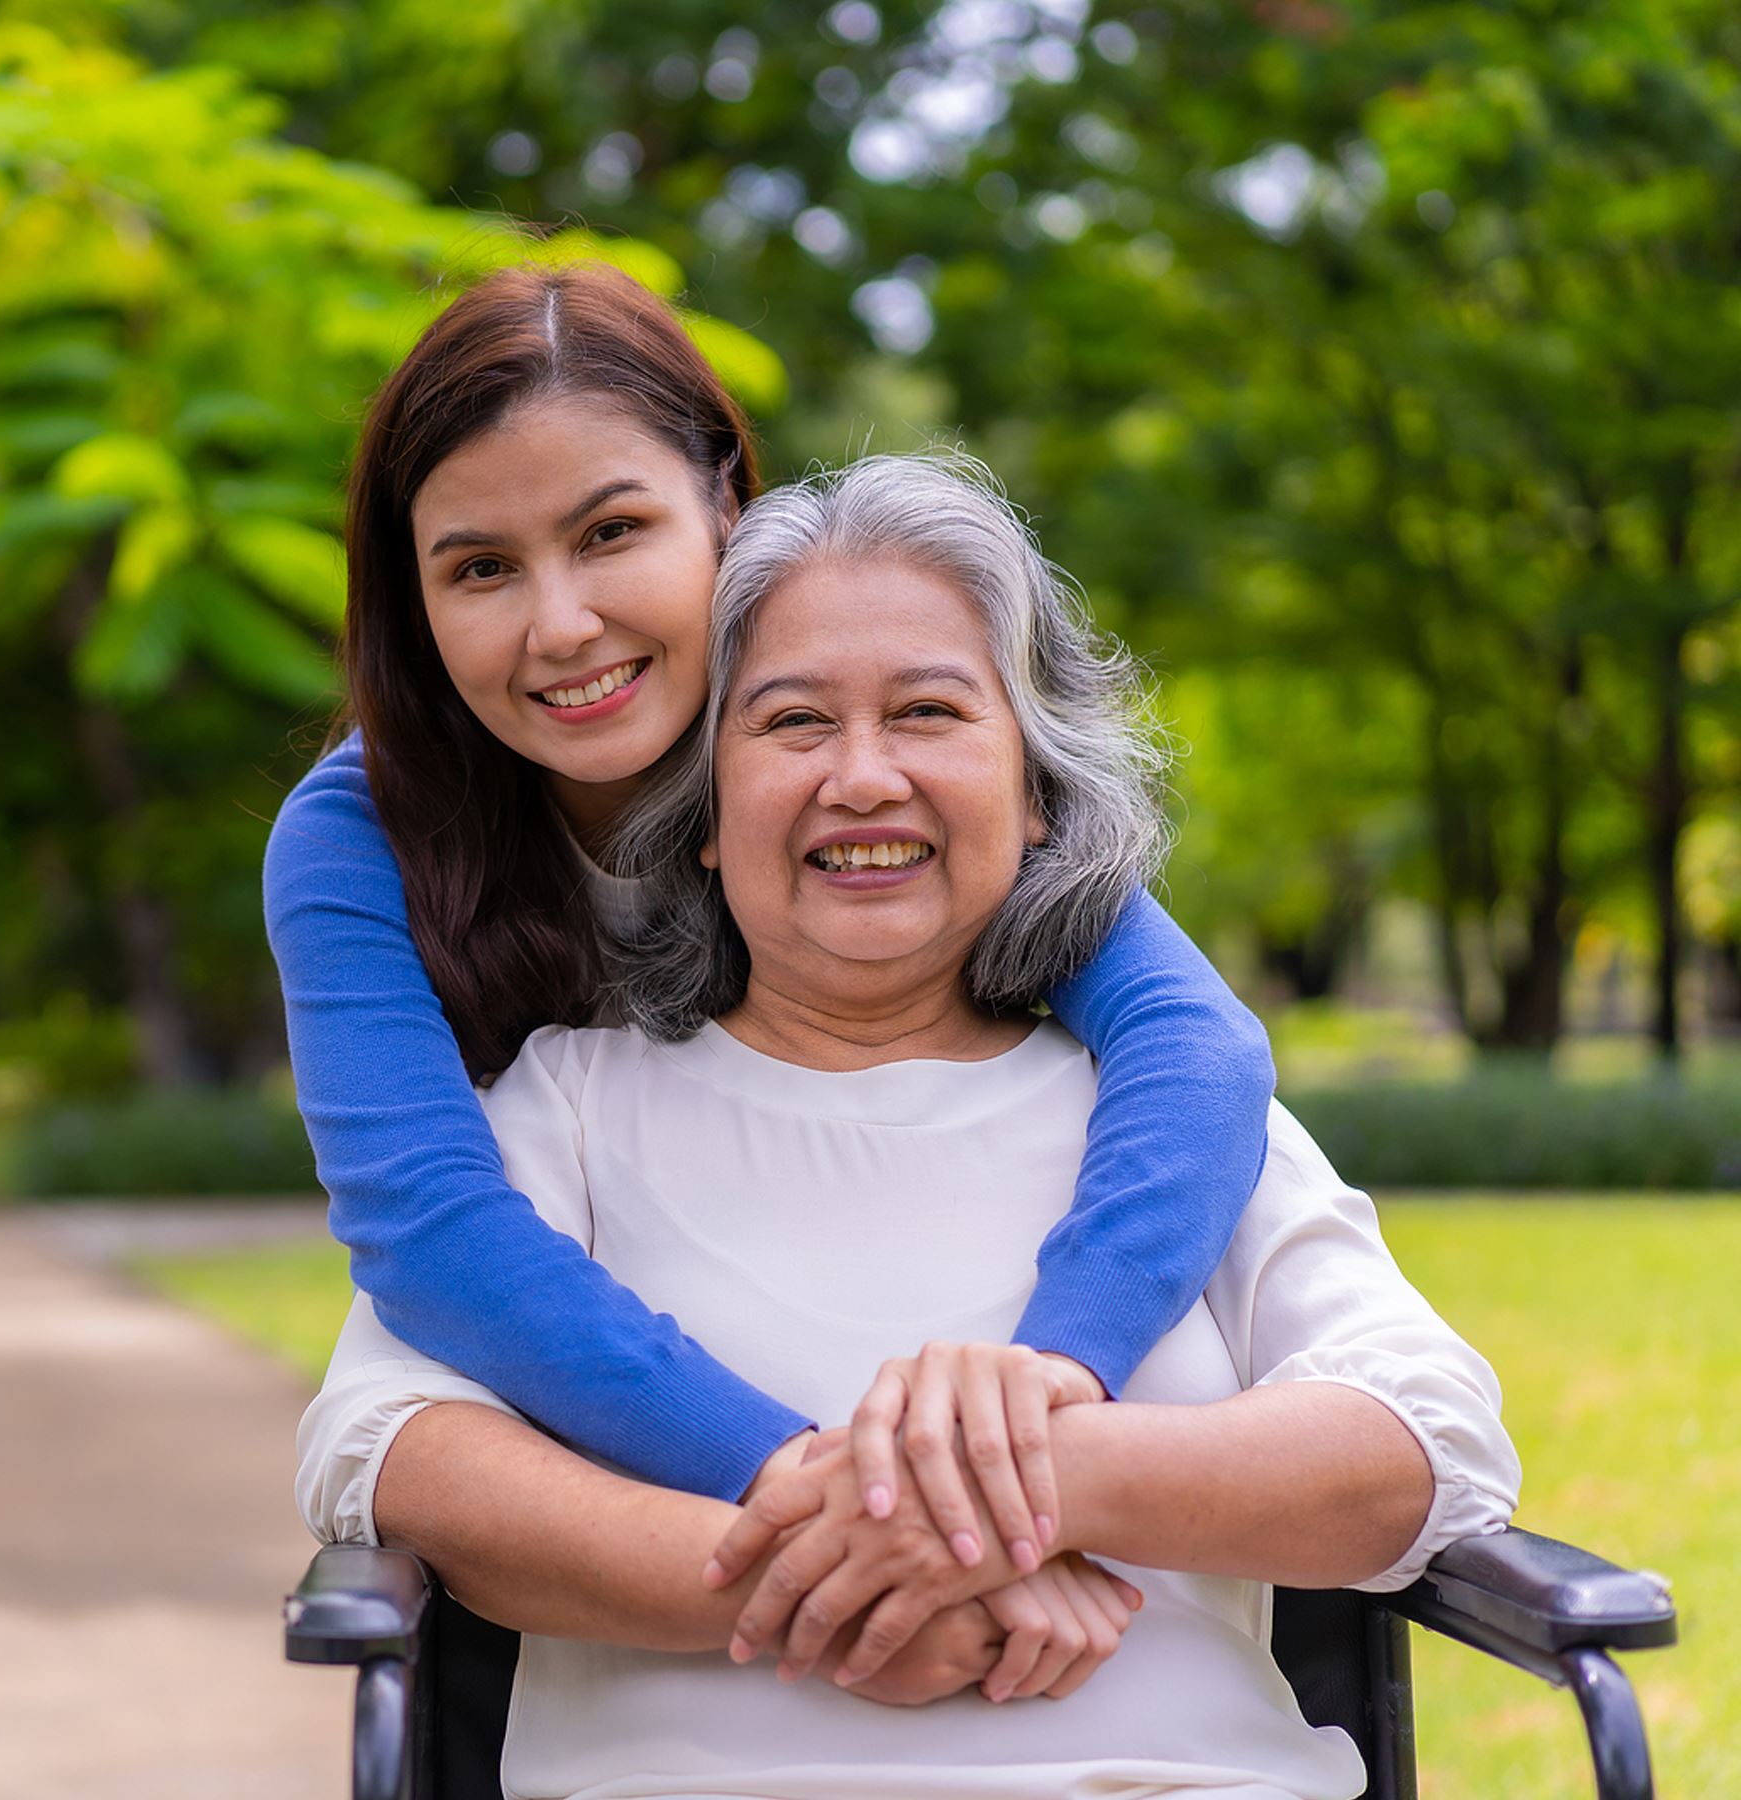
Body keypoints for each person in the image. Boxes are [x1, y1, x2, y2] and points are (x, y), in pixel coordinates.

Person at [297, 454, 1520, 1800]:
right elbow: (397, 1448)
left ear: (1036, 789)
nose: (863, 777)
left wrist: (1041, 1470)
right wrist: (851, 1588)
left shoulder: (1168, 1122)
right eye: (793, 723)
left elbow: (1429, 1445)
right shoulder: (569, 1107)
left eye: (929, 711)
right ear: (702, 817)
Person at [264, 260, 1279, 1561]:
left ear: (728, 511)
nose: (561, 624)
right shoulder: (358, 838)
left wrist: (1038, 1398)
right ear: (414, 600)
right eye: (480, 569)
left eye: (612, 533)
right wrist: (836, 1501)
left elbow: (1196, 1049)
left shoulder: (882, 781)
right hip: (623, 1499)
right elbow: (433, 1233)